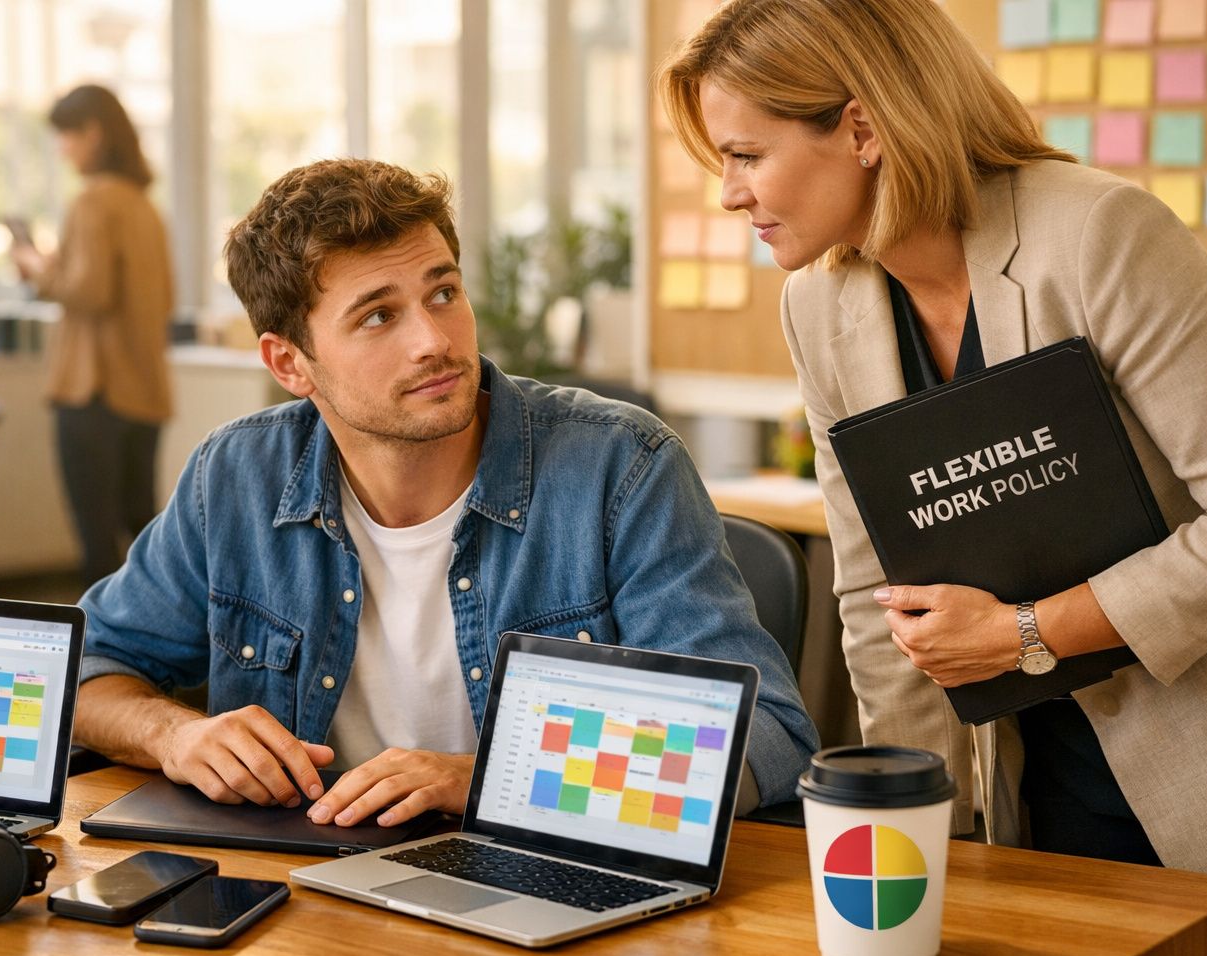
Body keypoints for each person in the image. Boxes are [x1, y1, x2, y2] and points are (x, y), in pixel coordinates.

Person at [659, 0, 1207, 956]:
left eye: (744, 155)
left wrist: (1029, 631)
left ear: (861, 129)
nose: (729, 194)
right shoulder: (821, 302)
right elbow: (874, 597)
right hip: (1034, 798)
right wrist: (912, 849)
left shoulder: (1097, 235)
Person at [71, 158, 819, 829]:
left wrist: (494, 779)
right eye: (378, 316)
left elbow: (770, 738)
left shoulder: (620, 468)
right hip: (303, 893)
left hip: (545, 879)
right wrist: (176, 734)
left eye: (443, 292)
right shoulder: (234, 478)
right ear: (289, 363)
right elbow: (83, 670)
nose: (434, 340)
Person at [12, 84, 173, 586]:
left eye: (66, 136)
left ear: (93, 134)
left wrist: (37, 267)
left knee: (97, 542)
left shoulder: (92, 202)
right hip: (143, 388)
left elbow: (91, 291)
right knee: (143, 533)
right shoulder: (146, 208)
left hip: (93, 388)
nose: (63, 150)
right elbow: (158, 296)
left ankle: (97, 656)